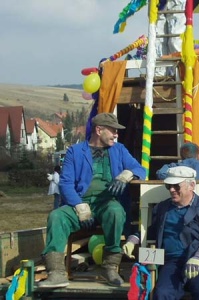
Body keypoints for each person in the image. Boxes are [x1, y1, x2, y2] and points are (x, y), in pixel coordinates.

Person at [38, 113, 146, 288]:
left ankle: (110, 267)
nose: (116, 135)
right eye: (113, 131)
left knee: (116, 211)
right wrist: (79, 206)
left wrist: (127, 174)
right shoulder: (75, 151)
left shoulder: (119, 150)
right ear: (99, 130)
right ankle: (56, 273)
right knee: (56, 216)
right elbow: (65, 183)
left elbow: (139, 168)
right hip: (79, 203)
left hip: (106, 203)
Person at [148, 166, 199, 299]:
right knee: (162, 295)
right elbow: (151, 231)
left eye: (176, 186)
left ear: (191, 185)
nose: (172, 190)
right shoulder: (162, 208)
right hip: (172, 263)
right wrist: (134, 238)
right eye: (169, 186)